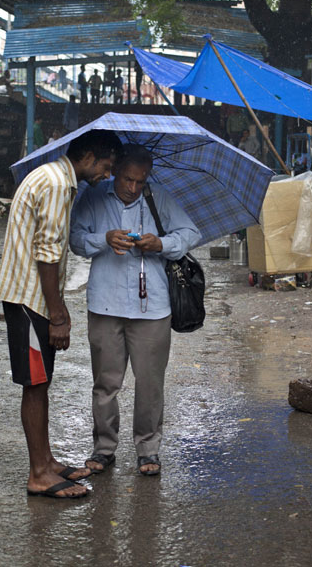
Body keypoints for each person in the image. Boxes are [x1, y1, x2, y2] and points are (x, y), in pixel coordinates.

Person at [0, 129, 122, 499]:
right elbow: (47, 254)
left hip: (30, 297)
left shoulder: (56, 179)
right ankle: (38, 473)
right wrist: (59, 315)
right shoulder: (55, 185)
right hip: (30, 298)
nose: (107, 175)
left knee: (41, 382)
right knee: (35, 385)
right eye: (106, 166)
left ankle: (47, 462)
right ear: (86, 158)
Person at [70, 145, 201, 477]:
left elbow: (189, 233)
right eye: (127, 179)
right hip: (105, 303)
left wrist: (161, 244)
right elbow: (75, 239)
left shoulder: (159, 198)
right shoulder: (94, 196)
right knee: (106, 382)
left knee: (150, 383)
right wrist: (106, 239)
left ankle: (148, 449)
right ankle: (103, 449)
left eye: (140, 182)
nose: (133, 188)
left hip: (153, 307)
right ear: (114, 171)